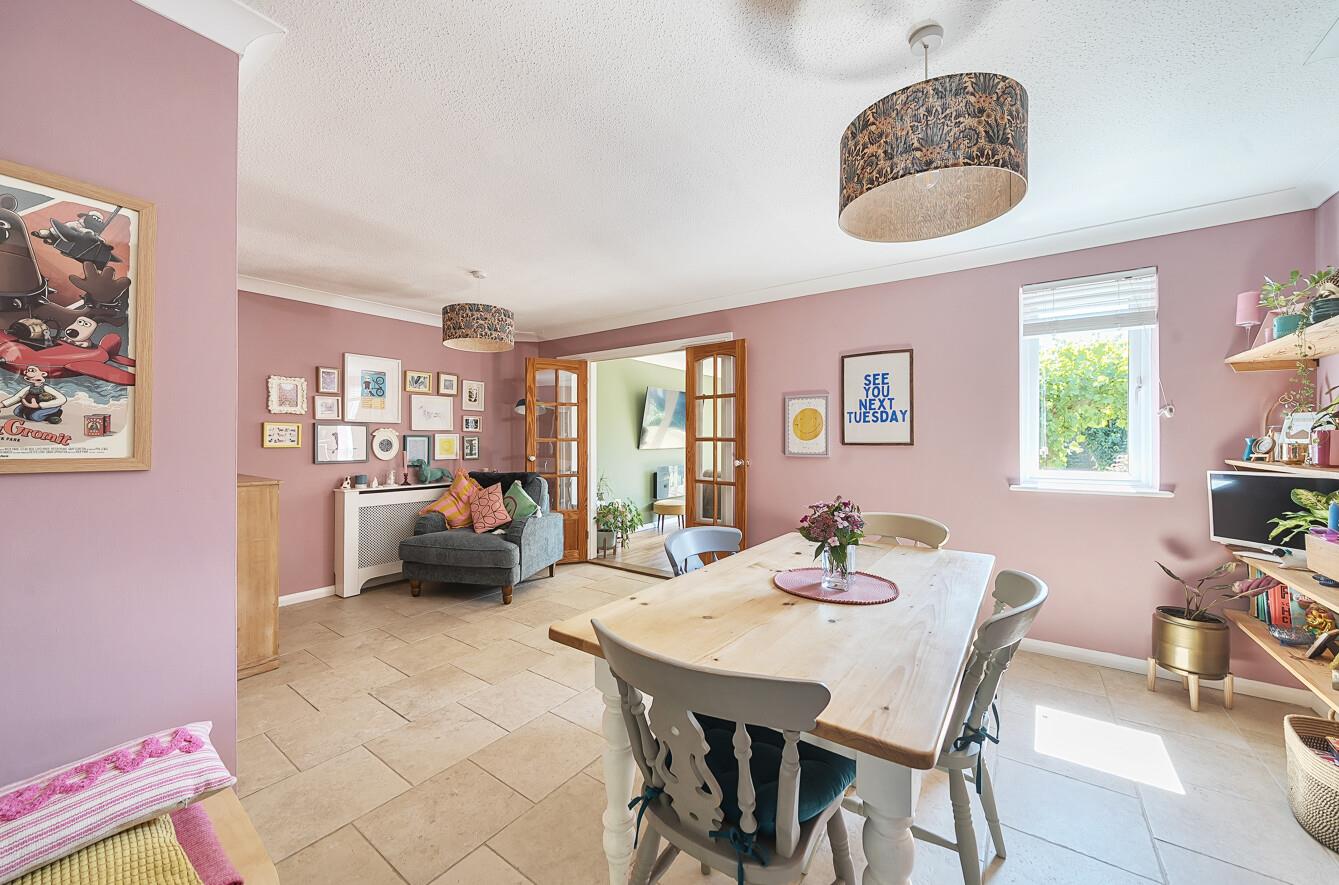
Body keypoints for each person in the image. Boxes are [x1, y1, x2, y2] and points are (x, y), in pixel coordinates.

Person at [1, 365, 68, 423]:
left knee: (35, 417)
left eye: (32, 370)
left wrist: (40, 405)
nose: (28, 372)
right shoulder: (29, 388)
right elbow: (17, 397)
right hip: (31, 406)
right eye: (28, 370)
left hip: (46, 406)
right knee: (17, 412)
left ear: (43, 374)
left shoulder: (46, 388)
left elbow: (62, 399)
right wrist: (2, 405)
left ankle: (55, 414)